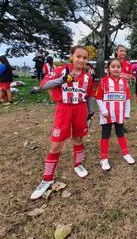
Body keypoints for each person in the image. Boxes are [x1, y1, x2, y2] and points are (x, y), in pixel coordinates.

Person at [30, 46, 95, 200]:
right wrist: (62, 80)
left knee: (78, 138)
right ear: (71, 56)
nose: (81, 60)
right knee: (56, 144)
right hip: (64, 109)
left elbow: (90, 95)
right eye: (78, 56)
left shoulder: (88, 77)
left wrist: (91, 112)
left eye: (85, 58)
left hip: (80, 109)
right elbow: (43, 85)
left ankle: (78, 164)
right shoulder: (61, 70)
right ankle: (47, 179)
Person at [95, 58, 135, 171]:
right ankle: (104, 158)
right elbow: (98, 98)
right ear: (108, 68)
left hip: (119, 114)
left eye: (118, 67)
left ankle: (125, 153)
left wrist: (126, 112)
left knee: (120, 133)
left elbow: (127, 98)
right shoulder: (103, 81)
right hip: (107, 115)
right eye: (113, 67)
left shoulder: (125, 82)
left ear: (121, 68)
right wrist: (103, 111)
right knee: (105, 135)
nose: (116, 69)